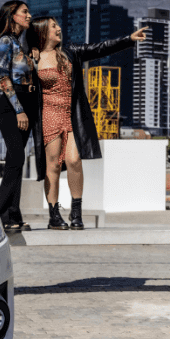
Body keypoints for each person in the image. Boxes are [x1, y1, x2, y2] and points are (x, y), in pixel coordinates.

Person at [26, 17, 149, 229]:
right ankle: (54, 215)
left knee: (74, 160)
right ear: (42, 32)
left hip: (71, 114)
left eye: (58, 25)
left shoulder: (70, 51)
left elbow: (99, 48)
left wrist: (128, 39)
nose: (59, 28)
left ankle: (76, 212)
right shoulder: (32, 58)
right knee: (53, 166)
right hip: (48, 115)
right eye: (53, 26)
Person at [0, 0, 37, 232]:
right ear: (12, 16)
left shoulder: (22, 44)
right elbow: (4, 79)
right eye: (25, 12)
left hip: (27, 104)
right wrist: (19, 110)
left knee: (17, 162)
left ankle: (13, 216)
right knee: (16, 160)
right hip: (12, 106)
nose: (29, 15)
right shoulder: (5, 41)